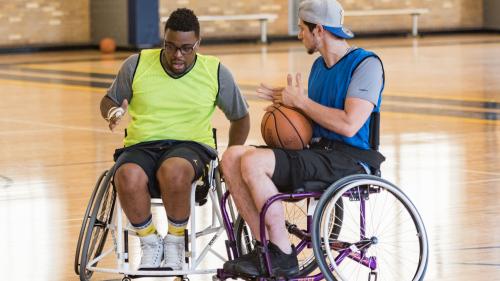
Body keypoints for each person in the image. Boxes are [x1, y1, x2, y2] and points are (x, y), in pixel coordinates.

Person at [220, 0, 385, 278]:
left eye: (302, 29)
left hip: (350, 160)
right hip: (318, 153)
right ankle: (265, 248)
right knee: (232, 156)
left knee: (253, 163)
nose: (299, 35)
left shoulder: (366, 65)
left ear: (318, 30)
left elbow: (348, 124)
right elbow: (313, 120)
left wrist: (303, 103)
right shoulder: (319, 66)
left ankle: (283, 254)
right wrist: (289, 106)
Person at [100, 8, 250, 270]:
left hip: (190, 146)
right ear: (164, 41)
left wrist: (232, 154)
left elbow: (240, 117)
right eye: (170, 47)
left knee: (174, 171)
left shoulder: (215, 71)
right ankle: (149, 242)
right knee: (126, 175)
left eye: (185, 48)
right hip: (142, 144)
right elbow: (110, 100)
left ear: (197, 44)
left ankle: (174, 241)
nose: (177, 55)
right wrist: (113, 111)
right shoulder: (136, 64)